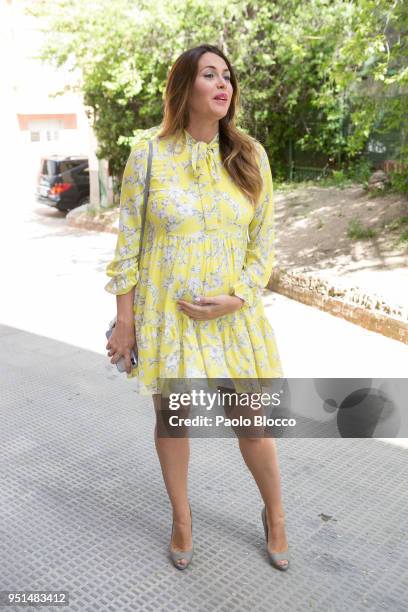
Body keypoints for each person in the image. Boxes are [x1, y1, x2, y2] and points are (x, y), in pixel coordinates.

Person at [104, 44, 290, 571]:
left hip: (232, 319)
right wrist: (125, 322)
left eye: (227, 76)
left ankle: (275, 515)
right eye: (210, 74)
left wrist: (238, 297)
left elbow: (263, 244)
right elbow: (129, 244)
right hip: (169, 318)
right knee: (173, 417)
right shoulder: (149, 153)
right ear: (185, 87)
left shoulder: (250, 154)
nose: (223, 83)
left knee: (251, 421)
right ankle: (182, 519)